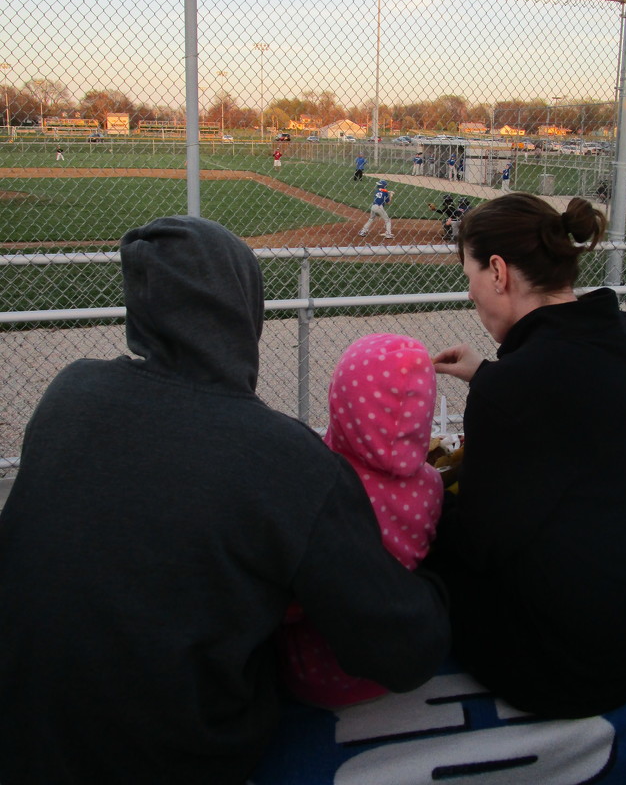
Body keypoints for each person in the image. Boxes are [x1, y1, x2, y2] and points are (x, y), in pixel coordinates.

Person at [0, 216, 449, 785]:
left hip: (19, 731)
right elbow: (403, 652)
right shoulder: (283, 456)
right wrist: (435, 578)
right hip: (173, 756)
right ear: (245, 310)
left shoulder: (70, 392)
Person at [426, 193, 626, 719]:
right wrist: (490, 374)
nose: (471, 292)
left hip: (565, 670)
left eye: (472, 275)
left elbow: (476, 545)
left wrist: (420, 488)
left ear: (500, 273)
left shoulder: (514, 392)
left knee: (416, 543)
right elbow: (576, 413)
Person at [279, 333, 444, 708]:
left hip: (317, 673)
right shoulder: (431, 486)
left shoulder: (318, 479)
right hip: (394, 654)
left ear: (343, 399)